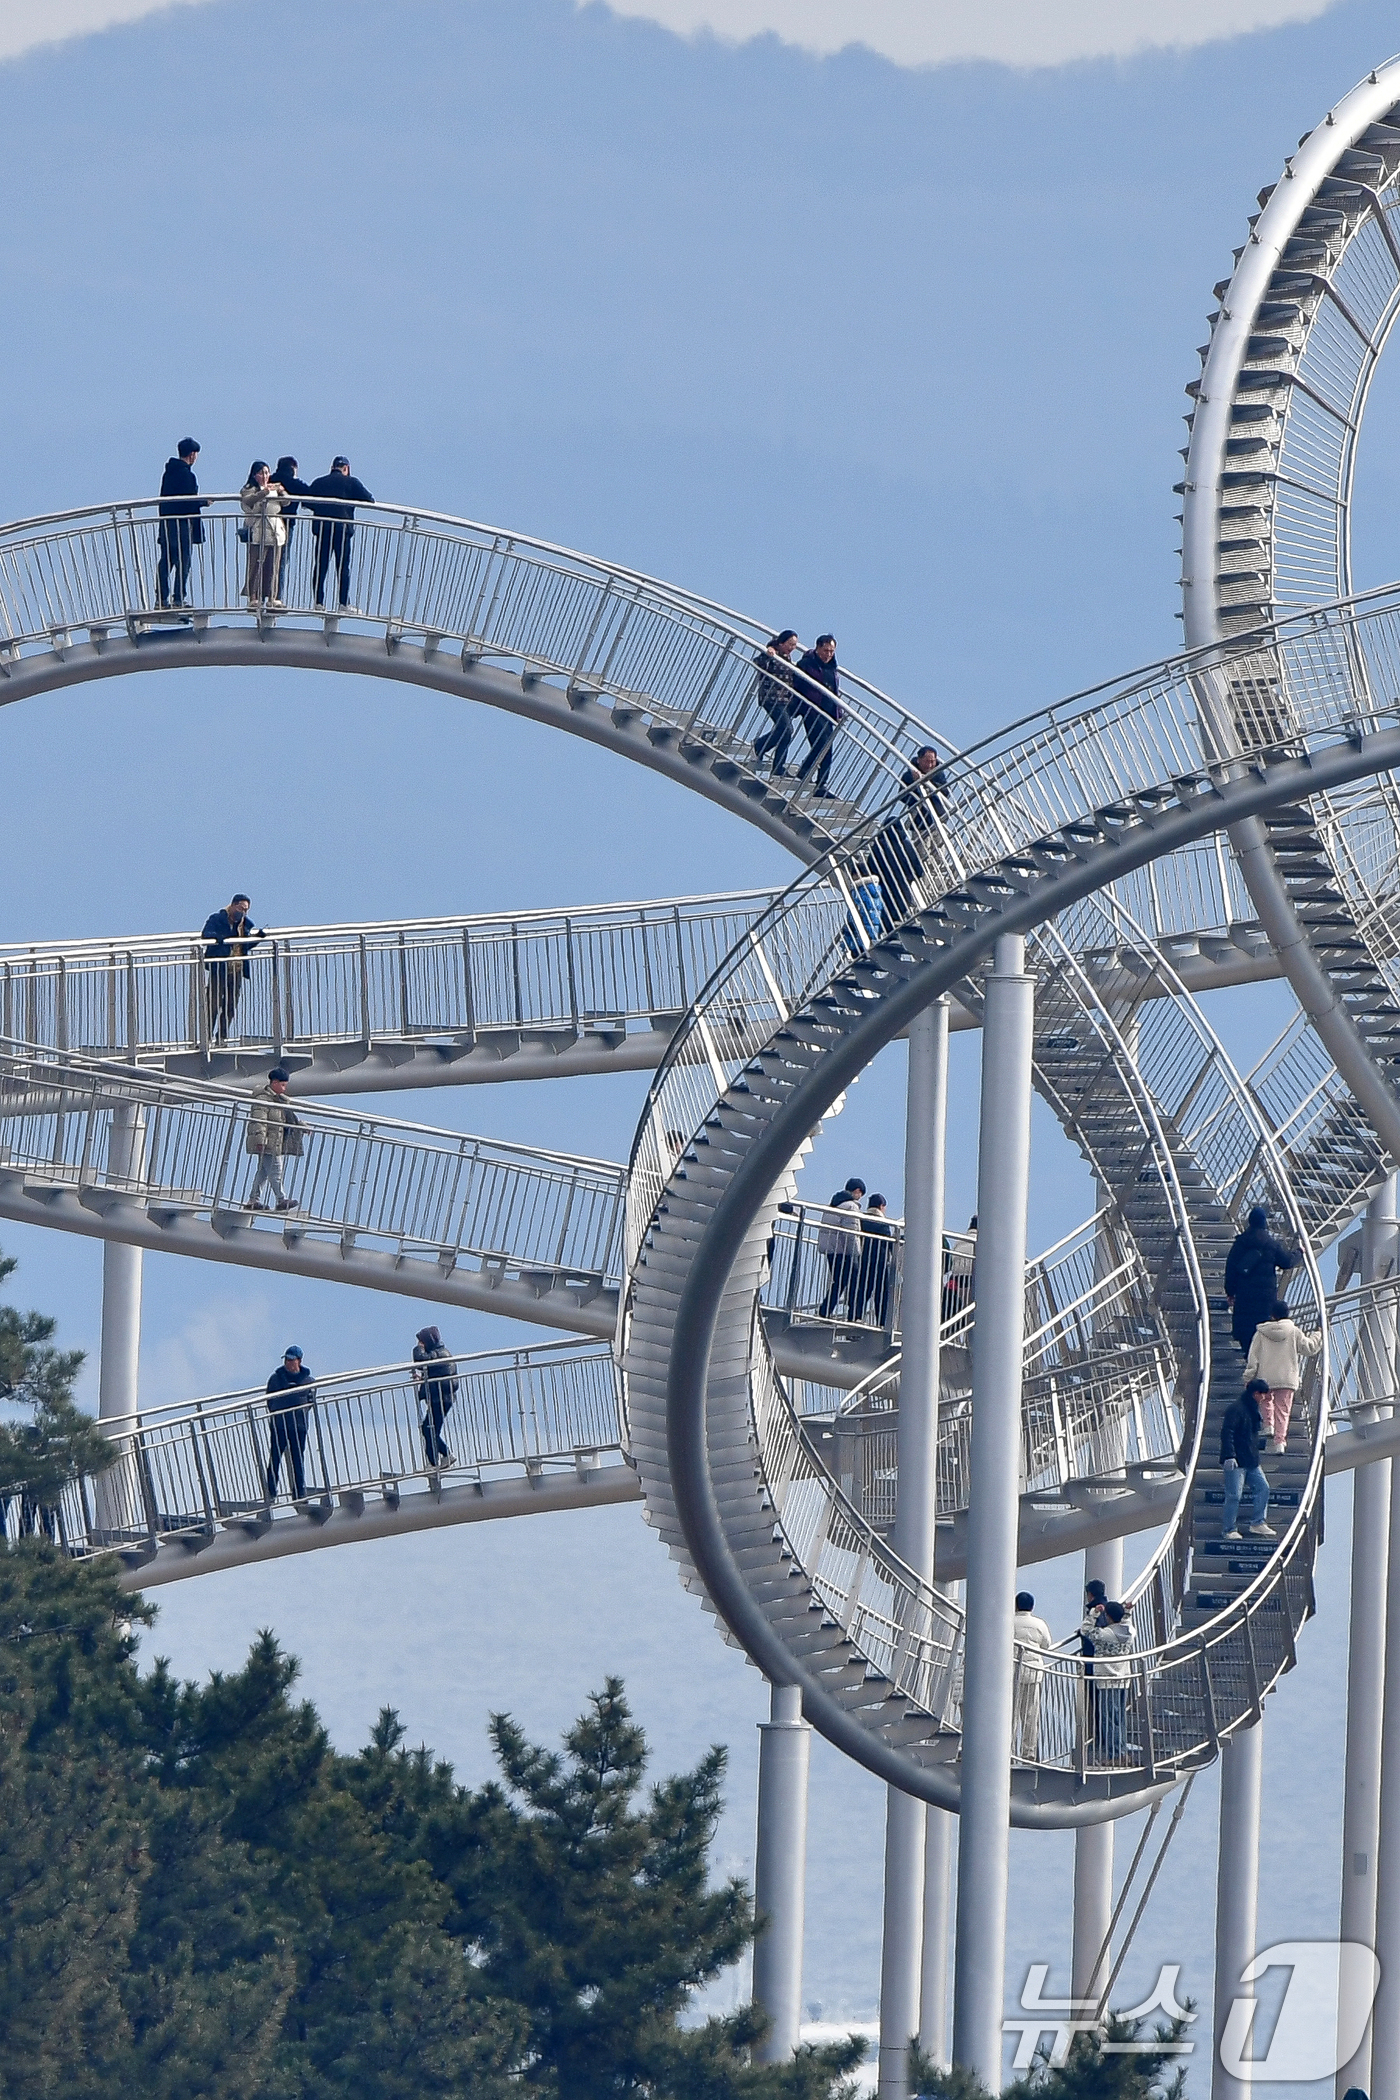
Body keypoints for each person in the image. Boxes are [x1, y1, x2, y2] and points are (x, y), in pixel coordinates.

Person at [871, 747, 949, 934]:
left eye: (933, 761)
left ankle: (939, 887)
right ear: (919, 759)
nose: (931, 765)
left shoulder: (938, 773)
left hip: (938, 820)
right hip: (919, 823)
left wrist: (926, 781)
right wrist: (916, 785)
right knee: (923, 855)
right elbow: (903, 797)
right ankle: (925, 890)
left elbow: (944, 793)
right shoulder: (909, 774)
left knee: (939, 856)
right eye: (928, 761)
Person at [1244, 1296, 1322, 1454]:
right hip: (1287, 1378)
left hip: (1265, 1377)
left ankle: (1268, 1426)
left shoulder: (1261, 1333)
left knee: (1266, 1402)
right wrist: (1318, 1334)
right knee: (1283, 1410)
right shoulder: (1294, 1332)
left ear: (1272, 1315)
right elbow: (1309, 1348)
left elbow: (1253, 1358)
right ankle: (1280, 1442)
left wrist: (1248, 1377)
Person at [1224, 1204, 1303, 1356]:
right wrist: (1299, 1252)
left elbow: (1231, 1269)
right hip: (1265, 1300)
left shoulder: (1240, 1244)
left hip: (1245, 1297)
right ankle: (1258, 1365)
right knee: (1262, 1332)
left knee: (1246, 1332)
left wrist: (1230, 1292)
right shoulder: (1271, 1245)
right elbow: (1287, 1262)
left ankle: (1249, 1361)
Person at [308, 455, 375, 610]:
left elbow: (306, 502)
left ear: (332, 468)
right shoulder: (351, 482)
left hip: (323, 529)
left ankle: (318, 602)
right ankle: (343, 603)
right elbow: (369, 499)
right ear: (346, 468)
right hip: (342, 530)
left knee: (320, 565)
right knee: (343, 567)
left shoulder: (319, 482)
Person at [202, 894, 265, 1040]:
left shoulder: (245, 924)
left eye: (246, 910)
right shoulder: (217, 919)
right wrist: (219, 939)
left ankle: (221, 1037)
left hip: (236, 969)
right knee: (213, 1004)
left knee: (230, 1007)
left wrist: (257, 938)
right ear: (233, 905)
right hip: (219, 968)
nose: (243, 912)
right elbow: (206, 934)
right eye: (241, 908)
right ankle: (206, 1037)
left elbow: (244, 946)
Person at [1219, 1378, 1275, 1542]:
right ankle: (1229, 1529)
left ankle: (1258, 1522)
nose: (1263, 1398)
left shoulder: (1251, 1409)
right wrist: (1229, 1455)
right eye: (1262, 1394)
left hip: (1250, 1459)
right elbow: (1227, 1432)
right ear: (1255, 1393)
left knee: (1263, 1488)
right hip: (1237, 1460)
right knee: (1234, 1495)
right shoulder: (1237, 1409)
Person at [156, 438, 206, 608]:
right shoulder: (187, 475)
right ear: (192, 455)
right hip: (182, 524)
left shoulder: (168, 473)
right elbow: (189, 501)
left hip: (166, 523)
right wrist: (203, 502)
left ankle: (161, 598)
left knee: (167, 560)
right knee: (183, 561)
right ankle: (178, 598)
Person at [245, 1067, 303, 1211]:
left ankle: (253, 1200)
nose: (284, 1088)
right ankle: (281, 1200)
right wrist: (260, 1140)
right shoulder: (264, 1099)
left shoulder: (279, 1100)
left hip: (273, 1141)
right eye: (282, 1085)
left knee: (263, 1173)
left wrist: (301, 1125)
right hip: (268, 1142)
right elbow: (259, 1121)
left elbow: (288, 1118)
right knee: (275, 1171)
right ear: (275, 1083)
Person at [793, 635, 844, 796]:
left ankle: (813, 777)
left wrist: (838, 712)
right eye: (826, 650)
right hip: (811, 710)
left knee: (825, 746)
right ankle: (817, 781)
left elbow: (834, 692)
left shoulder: (832, 669)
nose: (828, 654)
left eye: (831, 651)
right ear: (818, 648)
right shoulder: (807, 664)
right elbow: (798, 685)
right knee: (822, 744)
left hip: (827, 712)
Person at [265, 1345, 313, 1500]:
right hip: (280, 1425)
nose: (288, 1363)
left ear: (299, 1361)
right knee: (275, 1458)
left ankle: (299, 1491)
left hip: (299, 1426)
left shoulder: (308, 1380)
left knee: (298, 1459)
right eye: (287, 1359)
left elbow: (310, 1401)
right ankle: (271, 1491)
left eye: (292, 1360)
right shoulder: (275, 1379)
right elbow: (269, 1400)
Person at [239, 461, 291, 607]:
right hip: (258, 529)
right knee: (255, 564)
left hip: (274, 529)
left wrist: (282, 491)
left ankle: (272, 597)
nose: (265, 476)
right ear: (255, 475)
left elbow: (286, 502)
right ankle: (253, 596)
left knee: (273, 566)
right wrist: (263, 492)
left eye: (267, 473)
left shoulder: (273, 487)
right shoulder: (249, 488)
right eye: (261, 473)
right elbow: (247, 501)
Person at [751, 629, 801, 775]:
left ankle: (778, 767)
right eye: (790, 644)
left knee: (785, 732)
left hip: (784, 700)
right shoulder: (773, 654)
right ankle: (759, 745)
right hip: (771, 698)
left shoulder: (787, 658)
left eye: (794, 645)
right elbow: (758, 663)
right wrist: (768, 653)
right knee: (787, 729)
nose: (792, 648)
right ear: (781, 642)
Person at [1090, 1602, 1135, 1761]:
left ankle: (1115, 1754)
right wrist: (1127, 1611)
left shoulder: (1105, 1634)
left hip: (1106, 1681)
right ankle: (1122, 1751)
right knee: (1120, 1718)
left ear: (1107, 1616)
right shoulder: (1130, 1632)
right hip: (1123, 1680)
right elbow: (1127, 1621)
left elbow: (1087, 1631)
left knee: (1109, 1719)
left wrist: (1093, 1614)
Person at [1013, 1591, 1054, 1759]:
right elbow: (1047, 1645)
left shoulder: (1009, 1622)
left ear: (1015, 1605)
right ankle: (1029, 1751)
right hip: (1033, 1672)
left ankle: (1007, 1749)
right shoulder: (1039, 1624)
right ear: (1032, 1606)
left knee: (1011, 1714)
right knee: (1030, 1714)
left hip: (1013, 1671)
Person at [413, 1324, 459, 1467]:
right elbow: (436, 1373)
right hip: (441, 1399)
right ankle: (439, 1459)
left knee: (429, 1429)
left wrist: (419, 1348)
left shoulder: (439, 1354)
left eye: (422, 1342)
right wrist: (422, 1380)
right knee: (429, 1429)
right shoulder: (440, 1352)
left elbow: (421, 1360)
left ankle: (438, 1461)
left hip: (440, 1400)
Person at [817, 1182, 864, 1319]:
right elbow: (851, 1233)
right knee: (855, 1282)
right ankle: (854, 1316)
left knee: (839, 1281)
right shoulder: (851, 1206)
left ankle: (825, 1310)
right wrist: (856, 1253)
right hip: (844, 1251)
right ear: (857, 1191)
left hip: (831, 1251)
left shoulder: (833, 1205)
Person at [272, 454, 312, 593]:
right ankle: (277, 596)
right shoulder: (294, 483)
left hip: (268, 522)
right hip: (287, 524)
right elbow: (310, 495)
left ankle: (260, 595)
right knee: (282, 561)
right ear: (293, 468)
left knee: (266, 561)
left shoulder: (270, 480)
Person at [855, 1194, 896, 1327]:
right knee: (881, 1294)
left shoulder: (863, 1220)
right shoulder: (882, 1223)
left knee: (863, 1290)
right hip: (880, 1262)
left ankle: (856, 1317)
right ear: (881, 1206)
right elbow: (889, 1244)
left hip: (865, 1259)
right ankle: (882, 1323)